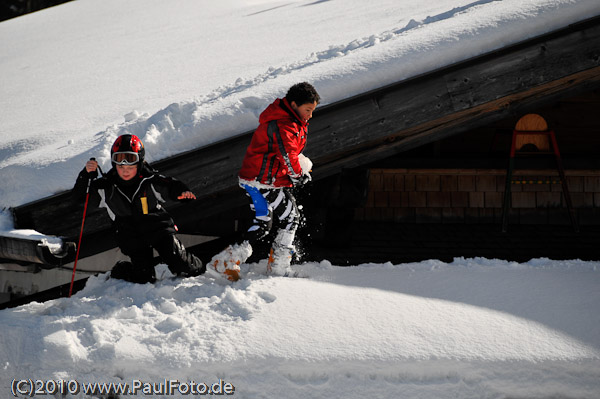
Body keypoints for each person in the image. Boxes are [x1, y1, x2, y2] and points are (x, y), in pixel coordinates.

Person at [210, 82, 321, 279]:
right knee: (291, 218)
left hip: (259, 180)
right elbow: (287, 154)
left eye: (312, 110)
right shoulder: (283, 123)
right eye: (307, 110)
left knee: (263, 223)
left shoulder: (288, 120)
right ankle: (278, 267)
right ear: (294, 104)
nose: (310, 115)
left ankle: (226, 260)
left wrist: (299, 167)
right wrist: (298, 175)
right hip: (263, 181)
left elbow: (291, 153)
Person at [72, 134, 205, 283]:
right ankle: (122, 270)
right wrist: (86, 176)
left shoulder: (149, 180)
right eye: (121, 166)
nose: (125, 171)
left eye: (130, 167)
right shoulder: (106, 187)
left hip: (158, 228)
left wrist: (181, 193)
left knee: (179, 261)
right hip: (131, 235)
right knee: (144, 277)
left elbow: (170, 185)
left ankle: (199, 268)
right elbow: (80, 199)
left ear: (140, 163)